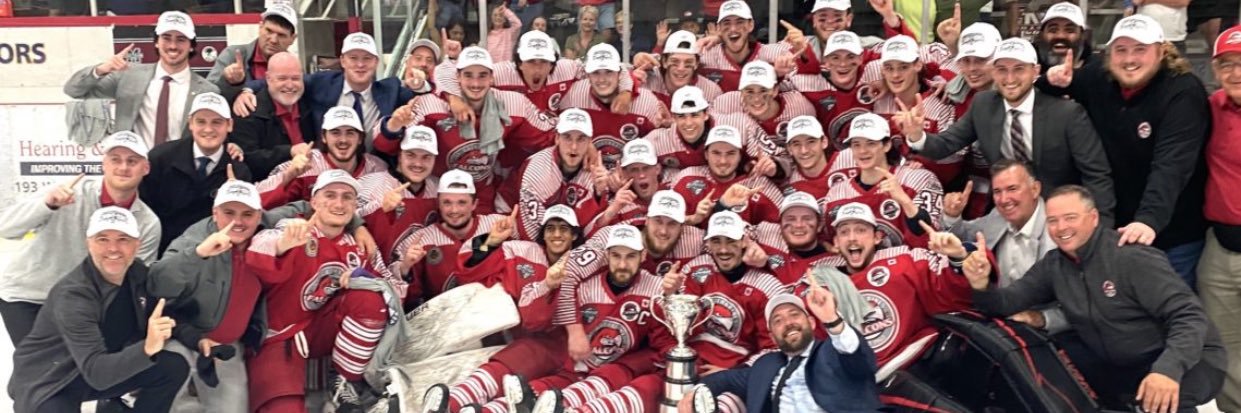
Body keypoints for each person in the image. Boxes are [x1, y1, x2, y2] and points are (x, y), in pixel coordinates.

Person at [968, 185, 1226, 413]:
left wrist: (1167, 370)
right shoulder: (1054, 264)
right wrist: (980, 283)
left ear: (1093, 218)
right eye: (1053, 221)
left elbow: (1189, 316)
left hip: (1188, 358)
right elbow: (1006, 302)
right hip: (1119, 361)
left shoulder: (1131, 257)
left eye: (1070, 218)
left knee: (1160, 400)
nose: (1061, 228)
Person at [1041, 14, 1211, 288]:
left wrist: (1148, 221)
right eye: (1121, 50)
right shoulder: (1100, 77)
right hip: (1117, 230)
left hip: (1173, 233)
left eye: (1140, 50)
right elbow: (1054, 84)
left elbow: (1172, 165)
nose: (1129, 59)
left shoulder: (1183, 91)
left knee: (1173, 317)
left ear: (1161, 51)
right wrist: (1049, 79)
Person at [903, 37, 1116, 225]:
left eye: (1019, 69)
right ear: (994, 72)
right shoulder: (983, 104)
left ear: (1035, 71)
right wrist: (917, 136)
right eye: (1002, 69)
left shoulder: (1067, 113)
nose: (1010, 78)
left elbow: (1096, 173)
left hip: (1057, 212)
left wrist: (1102, 227)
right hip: (1006, 210)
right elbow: (947, 144)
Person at [245, 170, 407, 412]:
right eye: (330, 195)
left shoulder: (358, 244)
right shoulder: (294, 228)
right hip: (282, 335)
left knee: (371, 298)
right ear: (314, 201)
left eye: (347, 197)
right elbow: (259, 249)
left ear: (355, 205)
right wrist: (282, 245)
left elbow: (394, 290)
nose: (339, 203)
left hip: (325, 332)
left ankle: (344, 380)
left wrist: (363, 278)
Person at [8, 207, 188, 413]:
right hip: (51, 379)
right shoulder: (73, 295)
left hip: (94, 369)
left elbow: (164, 312)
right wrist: (147, 348)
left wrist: (198, 339)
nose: (113, 248)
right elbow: (98, 374)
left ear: (136, 245)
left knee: (172, 367)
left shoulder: (136, 273)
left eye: (123, 239)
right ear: (89, 244)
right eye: (102, 239)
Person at [0, 132, 161, 344]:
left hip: (82, 306)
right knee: (38, 369)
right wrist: (47, 205)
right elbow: (6, 228)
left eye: (132, 161)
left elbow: (131, 281)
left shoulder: (148, 223)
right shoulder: (67, 192)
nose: (123, 167)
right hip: (30, 295)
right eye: (115, 160)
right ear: (103, 164)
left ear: (145, 168)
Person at [421, 205, 582, 412]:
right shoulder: (522, 251)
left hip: (554, 345)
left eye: (564, 229)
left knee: (520, 386)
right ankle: (449, 404)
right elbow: (469, 270)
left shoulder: (583, 266)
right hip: (508, 335)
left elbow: (540, 320)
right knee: (498, 371)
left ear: (575, 234)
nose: (557, 234)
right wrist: (491, 241)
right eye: (551, 229)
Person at [374, 47, 556, 214]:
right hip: (439, 193)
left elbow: (548, 135)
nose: (475, 83)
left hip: (482, 194)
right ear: (458, 78)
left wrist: (582, 142)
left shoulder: (513, 104)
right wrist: (394, 124)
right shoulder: (431, 105)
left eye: (482, 75)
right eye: (468, 75)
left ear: (492, 78)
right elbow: (384, 145)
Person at [146, 180, 267, 412]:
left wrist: (356, 225)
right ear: (214, 212)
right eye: (229, 213)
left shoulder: (264, 236)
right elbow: (156, 283)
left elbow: (300, 208)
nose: (238, 221)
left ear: (259, 215)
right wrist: (199, 253)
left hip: (225, 346)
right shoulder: (193, 240)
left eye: (247, 214)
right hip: (180, 338)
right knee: (166, 398)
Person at [680, 291, 881, 413]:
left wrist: (833, 320)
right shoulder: (766, 365)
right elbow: (723, 379)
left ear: (811, 322)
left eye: (794, 315)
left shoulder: (834, 351)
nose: (788, 323)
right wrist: (693, 394)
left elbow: (861, 359)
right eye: (778, 321)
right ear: (773, 337)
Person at [941, 160, 1068, 333]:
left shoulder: (1061, 232)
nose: (1003, 200)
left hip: (1041, 334)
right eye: (997, 192)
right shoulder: (998, 215)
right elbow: (965, 238)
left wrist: (1042, 319)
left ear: (1035, 189)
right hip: (992, 315)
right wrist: (952, 217)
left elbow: (1084, 306)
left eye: (1012, 189)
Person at [64, 11, 220, 149]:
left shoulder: (207, 91)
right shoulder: (129, 76)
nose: (173, 46)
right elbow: (73, 90)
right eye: (166, 38)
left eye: (181, 39)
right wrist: (101, 70)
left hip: (178, 173)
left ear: (191, 46)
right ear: (156, 42)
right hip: (133, 170)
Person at [234, 32, 416, 144]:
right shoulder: (321, 82)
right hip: (327, 168)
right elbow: (285, 80)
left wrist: (421, 83)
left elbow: (421, 97)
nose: (360, 64)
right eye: (353, 58)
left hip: (376, 169)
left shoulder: (391, 89)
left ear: (376, 62)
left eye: (367, 58)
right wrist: (247, 90)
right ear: (342, 61)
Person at [141, 92, 253, 253]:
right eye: (201, 121)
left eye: (217, 122)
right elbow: (146, 213)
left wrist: (232, 198)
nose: (208, 129)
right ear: (190, 123)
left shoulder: (239, 172)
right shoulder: (160, 158)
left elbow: (240, 226)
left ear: (229, 125)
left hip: (215, 256)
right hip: (163, 254)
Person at [1196, 25, 1241, 413]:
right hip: (1221, 248)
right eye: (1227, 64)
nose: (1236, 73)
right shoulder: (1211, 107)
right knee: (1225, 347)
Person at [822, 113, 939, 249]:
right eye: (856, 144)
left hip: (908, 266)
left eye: (871, 143)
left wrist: (905, 201)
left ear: (887, 145)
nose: (863, 151)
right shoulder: (836, 194)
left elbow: (933, 241)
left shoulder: (918, 179)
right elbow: (833, 245)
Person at [395, 169, 507, 307]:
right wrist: (405, 268)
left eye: (462, 203)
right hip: (444, 319)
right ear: (439, 204)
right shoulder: (421, 241)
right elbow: (408, 299)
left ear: (474, 204)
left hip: (492, 311)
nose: (454, 210)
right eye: (447, 202)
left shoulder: (497, 226)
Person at [557, 44, 666, 169]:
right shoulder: (572, 98)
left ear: (620, 74)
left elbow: (659, 151)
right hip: (586, 175)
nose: (602, 79)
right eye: (596, 73)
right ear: (587, 75)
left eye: (609, 72)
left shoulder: (646, 102)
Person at [255, 106, 388, 209]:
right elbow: (255, 201)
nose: (343, 140)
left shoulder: (377, 168)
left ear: (360, 138)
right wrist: (288, 176)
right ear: (324, 137)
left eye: (350, 133)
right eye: (335, 133)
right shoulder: (306, 165)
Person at [356, 125, 441, 263]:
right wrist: (378, 208)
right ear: (400, 155)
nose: (418, 163)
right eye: (411, 155)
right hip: (376, 275)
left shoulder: (439, 189)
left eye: (426, 157)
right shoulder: (368, 184)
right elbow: (344, 221)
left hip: (419, 275)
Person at [669, 126, 784, 227]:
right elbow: (664, 224)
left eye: (730, 153)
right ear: (706, 154)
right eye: (716, 153)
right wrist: (694, 219)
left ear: (740, 156)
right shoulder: (686, 179)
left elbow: (780, 229)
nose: (723, 161)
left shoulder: (759, 186)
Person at [230, 52, 316, 180]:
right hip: (268, 191)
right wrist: (290, 151)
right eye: (282, 78)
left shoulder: (310, 104)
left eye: (295, 78)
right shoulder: (247, 110)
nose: (290, 85)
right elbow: (248, 160)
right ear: (268, 78)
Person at [208, 4, 298, 88]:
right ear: (260, 27)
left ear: (292, 39)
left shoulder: (293, 66)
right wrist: (226, 81)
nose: (273, 40)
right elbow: (208, 95)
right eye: (269, 31)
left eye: (281, 35)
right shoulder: (232, 55)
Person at [1034, 2, 1093, 71]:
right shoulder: (1027, 70)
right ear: (1042, 34)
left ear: (1082, 35)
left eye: (1069, 30)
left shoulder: (1097, 72)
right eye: (1053, 30)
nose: (1060, 36)